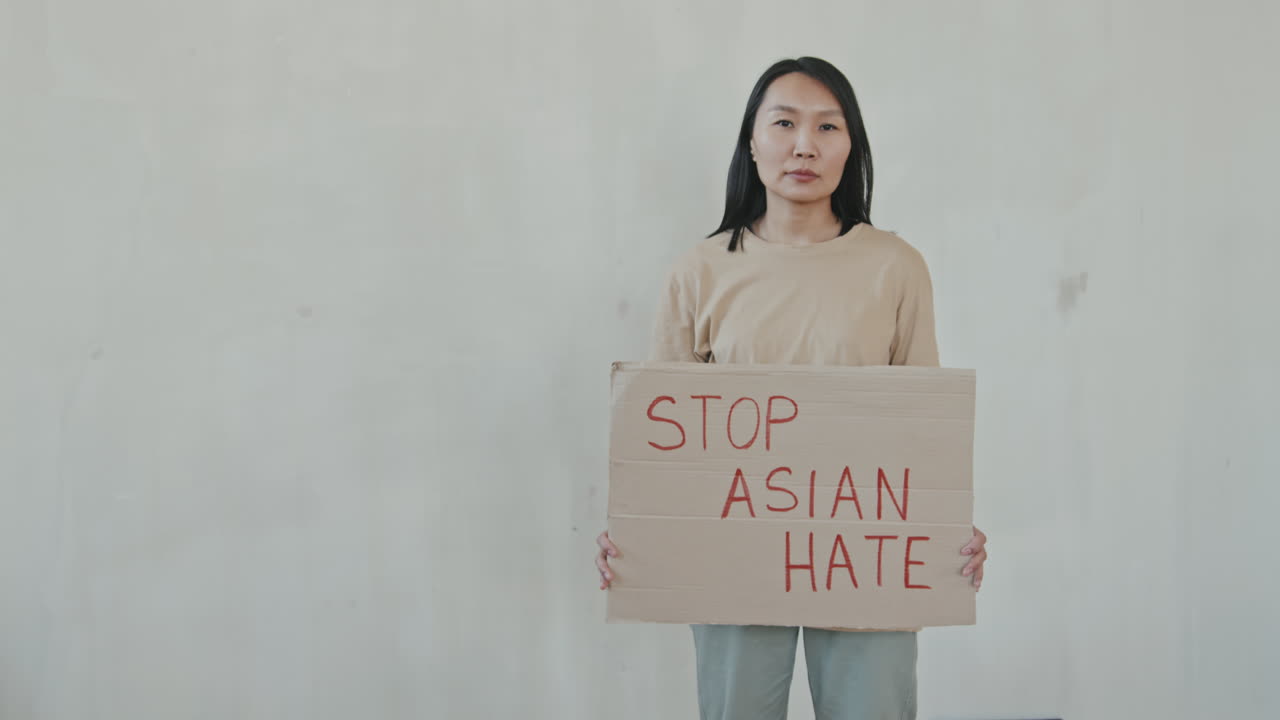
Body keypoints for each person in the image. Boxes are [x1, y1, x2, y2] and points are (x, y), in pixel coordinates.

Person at [595, 56, 988, 720]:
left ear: (851, 145)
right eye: (784, 123)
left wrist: (945, 525)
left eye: (827, 127)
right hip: (731, 560)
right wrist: (639, 529)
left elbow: (923, 428)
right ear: (752, 140)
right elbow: (667, 443)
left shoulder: (896, 267)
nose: (804, 144)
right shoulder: (700, 272)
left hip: (866, 558)